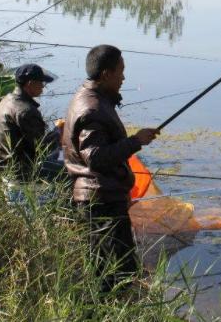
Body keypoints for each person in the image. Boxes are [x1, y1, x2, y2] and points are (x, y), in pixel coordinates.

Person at [61, 45, 159, 291]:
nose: (123, 77)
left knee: (107, 271)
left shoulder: (93, 98)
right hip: (101, 201)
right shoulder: (92, 109)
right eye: (121, 71)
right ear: (106, 74)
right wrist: (135, 142)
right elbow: (96, 158)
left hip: (101, 196)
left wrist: (135, 140)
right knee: (116, 275)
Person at [0, 63, 64, 182]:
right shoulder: (26, 111)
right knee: (69, 159)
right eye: (41, 83)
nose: (43, 87)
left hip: (3, 164)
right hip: (20, 171)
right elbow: (42, 149)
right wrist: (58, 131)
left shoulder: (7, 99)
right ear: (30, 84)